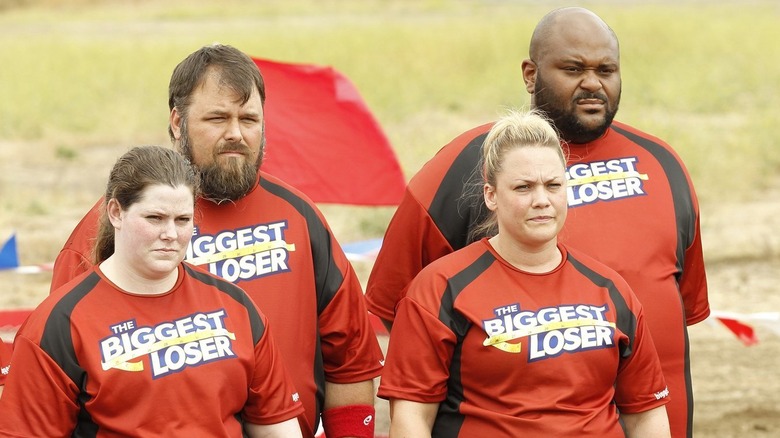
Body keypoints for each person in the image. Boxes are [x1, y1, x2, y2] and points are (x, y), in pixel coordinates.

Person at [366, 7, 708, 438]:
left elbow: (682, 306)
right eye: (572, 68)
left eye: (606, 69)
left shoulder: (663, 165)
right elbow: (399, 311)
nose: (592, 83)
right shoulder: (462, 167)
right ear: (530, 75)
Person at [49, 45, 383, 438]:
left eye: (249, 119)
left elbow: (350, 359)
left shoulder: (299, 216)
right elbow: (55, 381)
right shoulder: (113, 227)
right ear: (177, 122)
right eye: (217, 118)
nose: (236, 135)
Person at [378, 109, 671, 436]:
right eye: (523, 187)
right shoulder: (440, 289)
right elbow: (411, 418)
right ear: (491, 195)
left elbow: (646, 414)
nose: (542, 200)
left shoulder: (610, 289)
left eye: (553, 185)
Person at [0, 146, 303, 436]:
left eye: (183, 220)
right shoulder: (58, 324)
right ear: (116, 212)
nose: (170, 234)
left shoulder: (235, 305)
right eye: (155, 218)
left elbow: (275, 426)